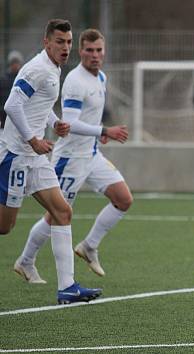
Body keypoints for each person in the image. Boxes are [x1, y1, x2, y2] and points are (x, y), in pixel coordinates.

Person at [14, 28, 132, 284]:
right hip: (70, 160)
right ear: (81, 52)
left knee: (123, 199)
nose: (95, 55)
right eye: (89, 50)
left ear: (104, 51)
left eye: (99, 50)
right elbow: (70, 121)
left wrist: (98, 134)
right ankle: (25, 261)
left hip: (91, 154)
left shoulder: (101, 77)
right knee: (56, 214)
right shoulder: (75, 81)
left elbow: (88, 117)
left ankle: (89, 246)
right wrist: (104, 130)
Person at [2, 19, 102, 304]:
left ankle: (67, 287)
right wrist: (33, 140)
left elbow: (37, 106)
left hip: (36, 158)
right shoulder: (37, 69)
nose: (66, 47)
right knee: (4, 227)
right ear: (47, 42)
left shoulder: (53, 68)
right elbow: (12, 105)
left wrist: (55, 122)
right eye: (60, 42)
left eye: (69, 42)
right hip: (17, 156)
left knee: (63, 211)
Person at [0, 50, 24, 132]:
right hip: (4, 119)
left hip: (19, 120)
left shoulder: (23, 79)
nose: (15, 65)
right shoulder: (3, 80)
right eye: (13, 62)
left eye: (17, 62)